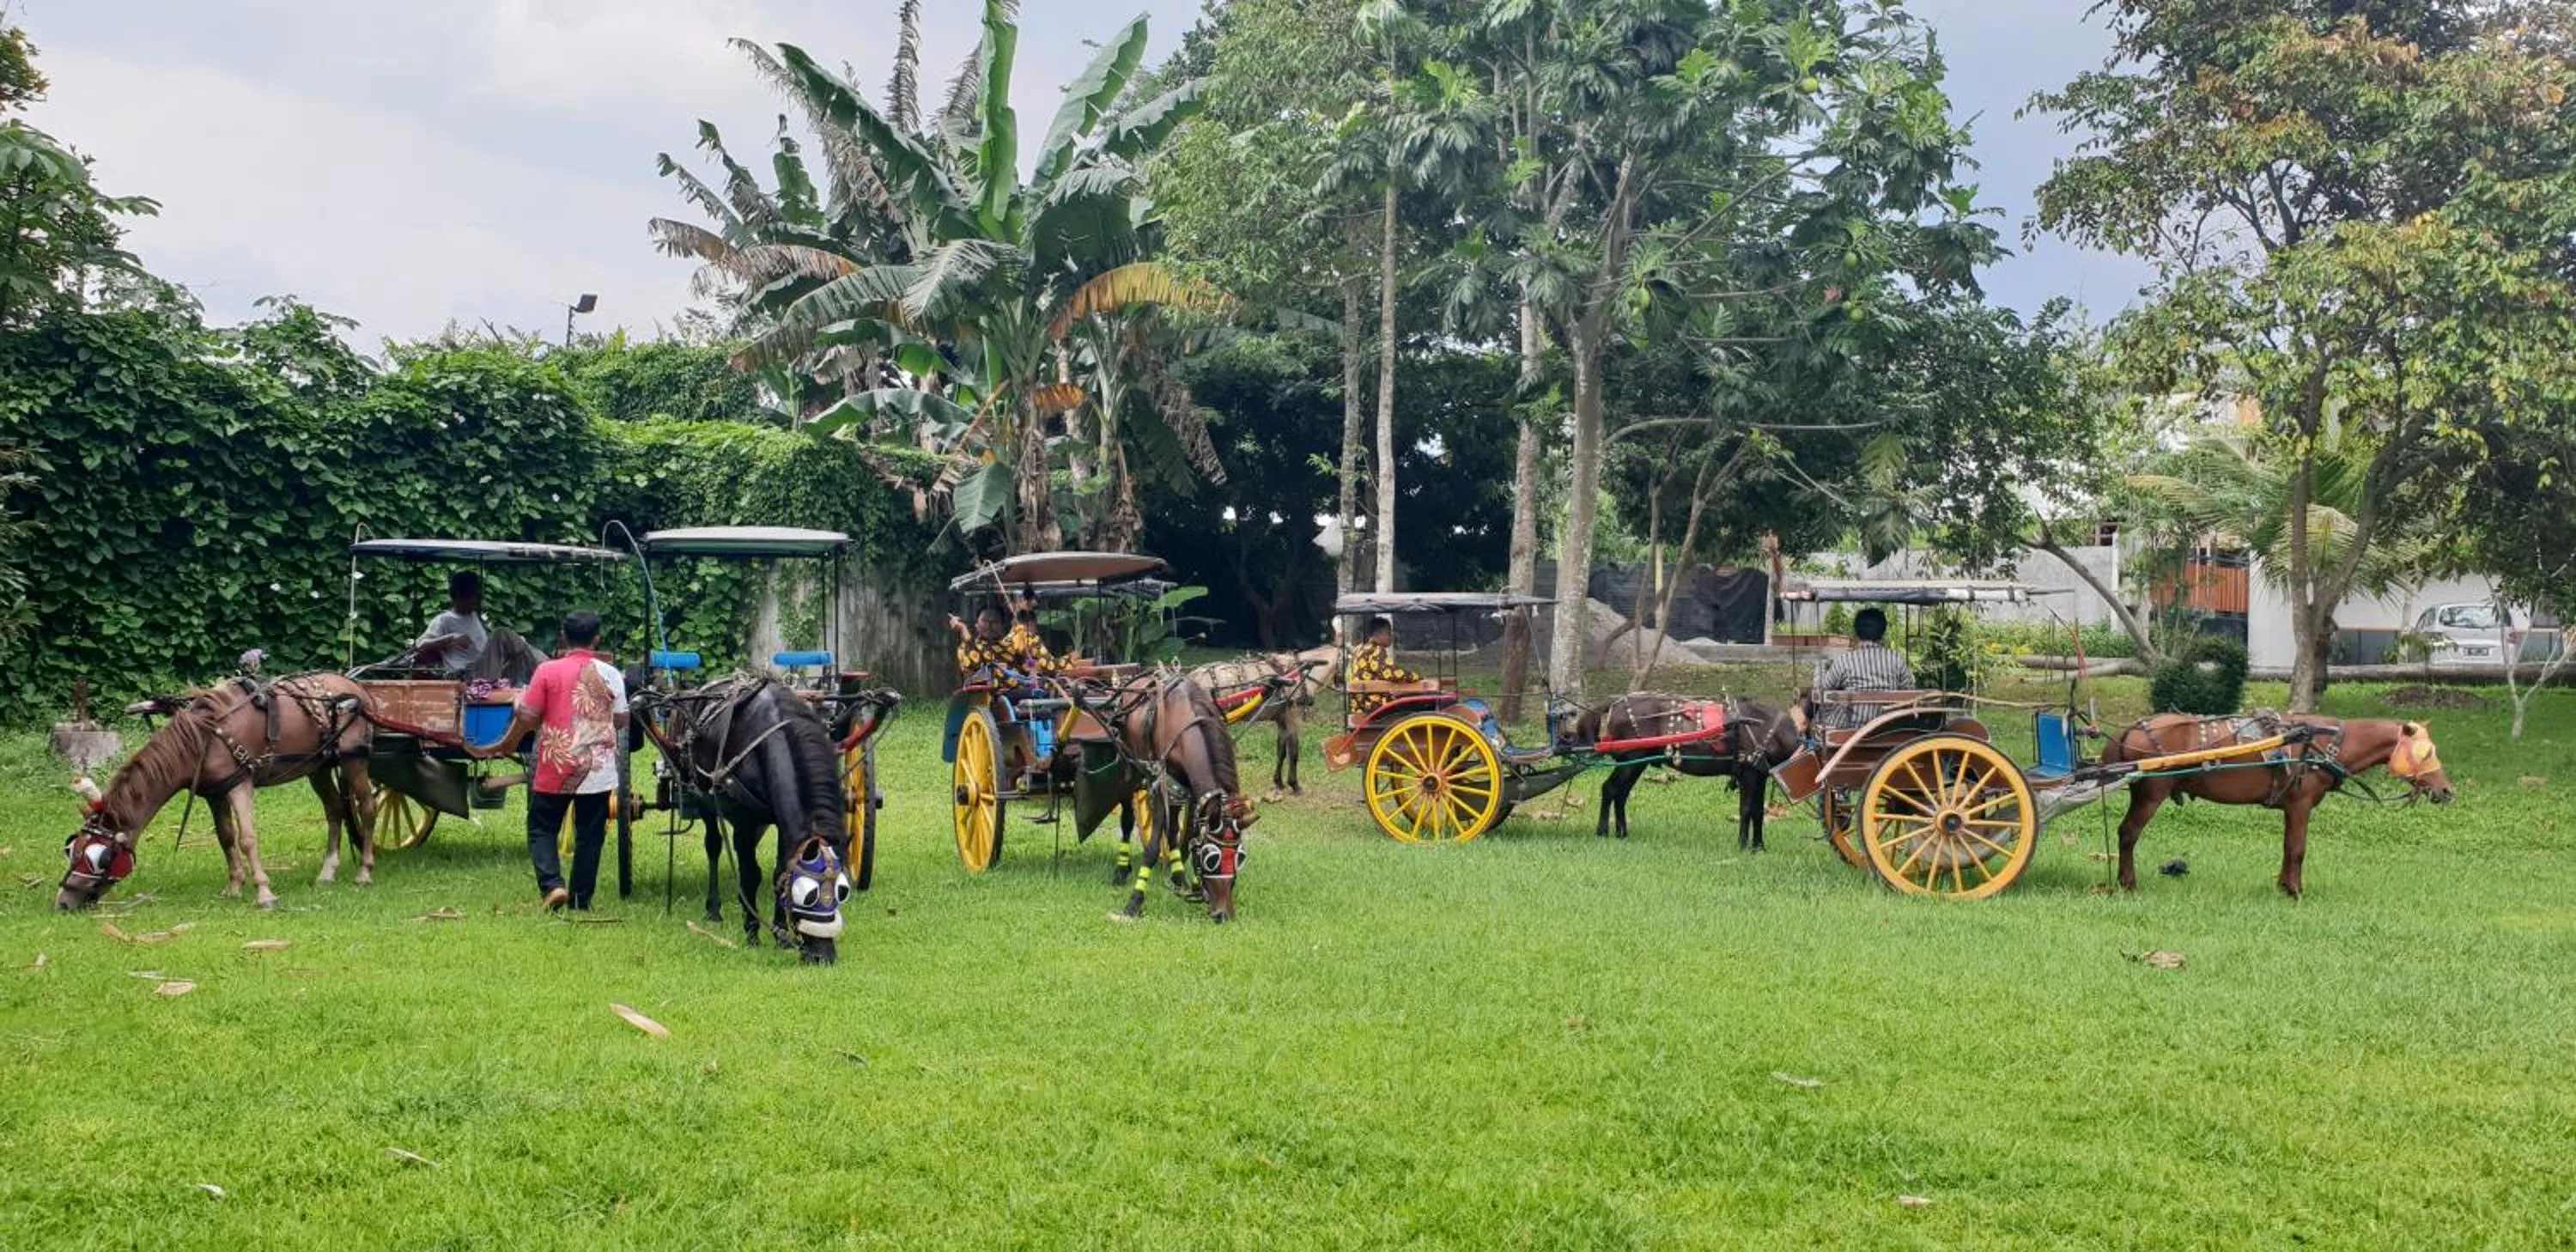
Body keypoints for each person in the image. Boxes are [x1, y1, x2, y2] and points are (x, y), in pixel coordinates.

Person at [472, 609, 628, 911]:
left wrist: (513, 724)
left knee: (542, 827)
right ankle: (581, 900)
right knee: (590, 834)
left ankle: (553, 886)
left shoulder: (546, 671)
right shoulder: (611, 674)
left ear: (562, 636)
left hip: (555, 763)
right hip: (596, 769)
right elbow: (621, 719)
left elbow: (529, 717)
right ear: (597, 638)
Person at [414, 569, 544, 685]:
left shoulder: (475, 617)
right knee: (501, 633)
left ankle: (548, 672)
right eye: (474, 596)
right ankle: (549, 669)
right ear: (460, 596)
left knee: (520, 649)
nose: (477, 600)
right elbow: (419, 645)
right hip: (468, 675)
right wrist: (451, 638)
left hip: (488, 670)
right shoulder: (444, 620)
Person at [1814, 606, 1914, 730]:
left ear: (1857, 632)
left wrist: (1821, 666)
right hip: (1885, 730)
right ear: (1882, 632)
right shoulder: (1897, 661)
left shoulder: (1844, 661)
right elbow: (1909, 692)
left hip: (1849, 730)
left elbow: (1823, 689)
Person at [1346, 616, 1434, 717]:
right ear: (1378, 635)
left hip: (1359, 704)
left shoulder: (1359, 649)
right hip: (1374, 704)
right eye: (1388, 633)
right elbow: (1390, 673)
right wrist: (1416, 677)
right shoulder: (1376, 650)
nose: (1391, 636)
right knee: (1423, 703)